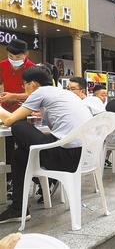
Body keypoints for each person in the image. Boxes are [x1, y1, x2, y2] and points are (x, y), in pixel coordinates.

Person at [0, 67, 92, 223]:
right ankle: (17, 208)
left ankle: (20, 206)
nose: (24, 88)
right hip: (82, 156)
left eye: (24, 84)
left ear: (34, 84)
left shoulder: (40, 93)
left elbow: (10, 120)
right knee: (20, 155)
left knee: (18, 126)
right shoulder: (62, 93)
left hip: (66, 157)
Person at [0, 39, 35, 190]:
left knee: (22, 145)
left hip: (24, 112)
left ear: (26, 54)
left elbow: (36, 95)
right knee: (5, 146)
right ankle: (8, 180)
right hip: (4, 112)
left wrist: (13, 96)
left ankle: (22, 179)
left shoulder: (32, 69)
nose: (14, 60)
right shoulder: (2, 65)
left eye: (18, 57)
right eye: (10, 56)